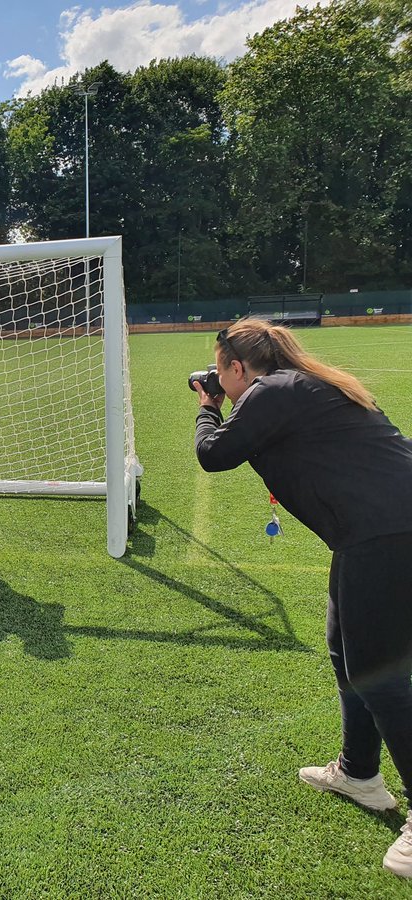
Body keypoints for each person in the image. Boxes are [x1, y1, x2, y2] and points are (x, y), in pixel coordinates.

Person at [193, 318, 412, 878]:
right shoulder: (308, 383)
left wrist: (207, 406)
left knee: (380, 674)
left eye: (220, 370)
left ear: (236, 368)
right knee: (346, 652)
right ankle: (359, 772)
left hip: (385, 532)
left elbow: (214, 454)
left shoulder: (270, 392)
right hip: (375, 530)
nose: (218, 379)